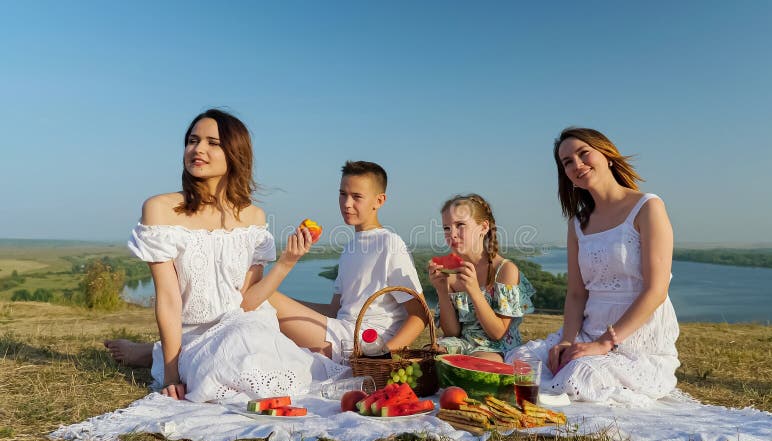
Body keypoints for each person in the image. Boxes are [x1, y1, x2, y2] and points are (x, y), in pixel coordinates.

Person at [107, 109, 345, 402]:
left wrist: (286, 263)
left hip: (247, 327)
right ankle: (158, 354)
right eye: (193, 141)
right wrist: (171, 375)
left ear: (235, 153)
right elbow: (168, 299)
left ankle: (147, 352)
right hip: (197, 337)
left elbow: (247, 303)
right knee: (227, 373)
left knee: (272, 368)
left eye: (212, 143)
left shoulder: (253, 217)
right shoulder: (160, 209)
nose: (198, 149)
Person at [506, 127, 679, 405]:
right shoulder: (578, 224)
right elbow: (576, 294)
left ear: (607, 155)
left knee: (579, 375)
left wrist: (604, 344)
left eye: (583, 153)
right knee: (520, 361)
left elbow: (656, 290)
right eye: (567, 162)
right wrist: (567, 340)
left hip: (635, 339)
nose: (577, 165)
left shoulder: (648, 207)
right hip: (588, 331)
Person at [264, 161, 428, 364]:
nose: (347, 203)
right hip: (341, 336)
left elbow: (420, 315)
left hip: (365, 344)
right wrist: (287, 303)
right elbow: (334, 311)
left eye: (357, 197)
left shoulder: (389, 243)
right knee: (265, 301)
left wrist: (381, 354)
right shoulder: (350, 247)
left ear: (379, 200)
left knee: (263, 296)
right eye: (343, 194)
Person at [428, 194, 535, 362]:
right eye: (446, 228)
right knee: (427, 355)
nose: (452, 234)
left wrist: (474, 290)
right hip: (463, 345)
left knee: (477, 363)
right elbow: (452, 333)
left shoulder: (505, 270)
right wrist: (442, 290)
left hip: (497, 349)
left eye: (460, 225)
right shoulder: (450, 272)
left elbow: (498, 333)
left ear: (484, 227)